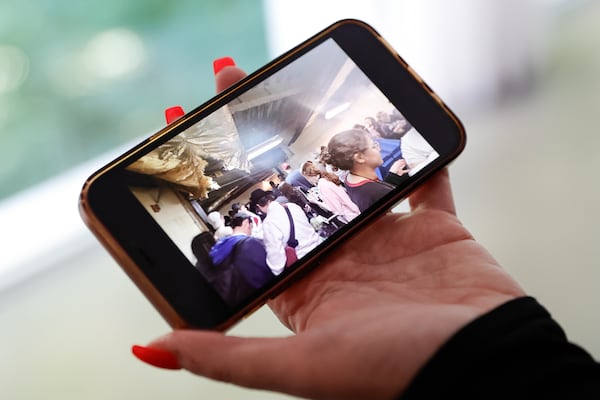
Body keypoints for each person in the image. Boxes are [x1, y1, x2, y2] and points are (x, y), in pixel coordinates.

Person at [131, 58, 600, 399]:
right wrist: (503, 348)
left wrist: (483, 355)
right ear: (359, 155)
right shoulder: (354, 193)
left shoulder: (311, 201)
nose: (379, 144)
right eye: (373, 142)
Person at [325, 128, 409, 212]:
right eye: (373, 146)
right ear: (360, 157)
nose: (379, 149)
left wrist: (392, 177)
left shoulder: (350, 180)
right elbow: (408, 213)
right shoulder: (375, 192)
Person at [207, 212, 274, 307]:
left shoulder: (217, 247)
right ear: (247, 223)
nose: (251, 230)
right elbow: (267, 272)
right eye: (251, 226)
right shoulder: (250, 243)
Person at [249, 188, 321, 276]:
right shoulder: (292, 206)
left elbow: (277, 263)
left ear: (258, 206)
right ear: (269, 198)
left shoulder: (269, 223)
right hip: (320, 245)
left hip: (306, 262)